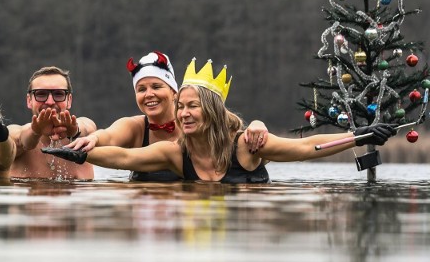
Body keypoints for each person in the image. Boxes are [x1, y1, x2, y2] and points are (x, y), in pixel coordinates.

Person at [43, 58, 398, 182]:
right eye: (181, 107)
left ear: (211, 110)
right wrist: (82, 153)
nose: (183, 113)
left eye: (192, 106)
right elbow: (121, 157)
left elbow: (306, 147)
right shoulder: (173, 153)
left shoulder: (247, 145)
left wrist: (361, 136)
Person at [66, 51, 268, 181]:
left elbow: (241, 142)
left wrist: (259, 125)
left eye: (156, 86)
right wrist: (93, 138)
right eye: (141, 89)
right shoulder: (135, 127)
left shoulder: (201, 124)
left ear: (174, 92)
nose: (149, 94)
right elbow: (109, 137)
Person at [8, 66, 97, 179]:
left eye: (58, 94)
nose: (50, 102)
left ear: (69, 100)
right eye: (41, 94)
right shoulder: (15, 134)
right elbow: (19, 139)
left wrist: (74, 131)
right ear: (29, 101)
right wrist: (35, 132)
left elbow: (88, 126)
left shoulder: (86, 133)